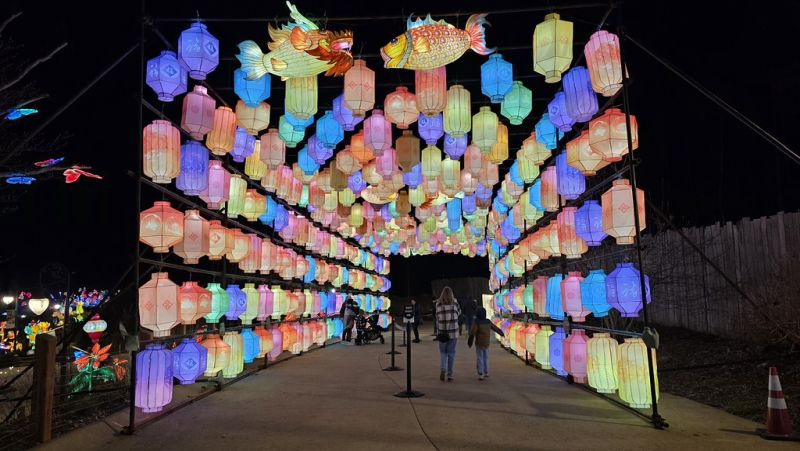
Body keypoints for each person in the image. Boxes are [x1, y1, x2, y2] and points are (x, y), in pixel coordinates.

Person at [467, 307, 505, 380]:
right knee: (486, 357)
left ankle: (481, 373)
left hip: (479, 343)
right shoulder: (488, 322)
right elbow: (495, 328)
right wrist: (501, 333)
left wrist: (470, 342)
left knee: (480, 357)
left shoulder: (476, 322)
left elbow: (472, 333)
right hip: (486, 343)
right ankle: (486, 372)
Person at [435, 287, 461, 382]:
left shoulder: (438, 304)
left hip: (442, 333)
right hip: (453, 333)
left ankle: (443, 369)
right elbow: (459, 313)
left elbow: (437, 317)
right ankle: (450, 375)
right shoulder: (455, 303)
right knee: (451, 353)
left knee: (443, 352)